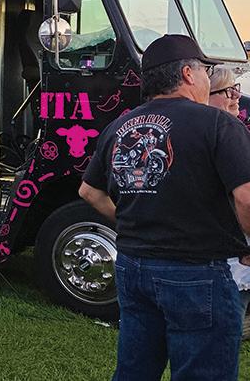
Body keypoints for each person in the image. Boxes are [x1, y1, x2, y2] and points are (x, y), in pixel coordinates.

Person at [79, 35, 250, 381]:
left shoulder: (118, 127)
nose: (206, 79)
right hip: (196, 271)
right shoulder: (218, 124)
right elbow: (246, 197)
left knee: (134, 371)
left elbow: (89, 192)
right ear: (188, 73)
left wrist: (131, 222)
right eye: (205, 71)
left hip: (132, 267)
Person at [207, 66, 250, 318]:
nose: (236, 96)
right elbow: (244, 197)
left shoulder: (234, 129)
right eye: (228, 90)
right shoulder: (221, 133)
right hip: (229, 253)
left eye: (236, 88)